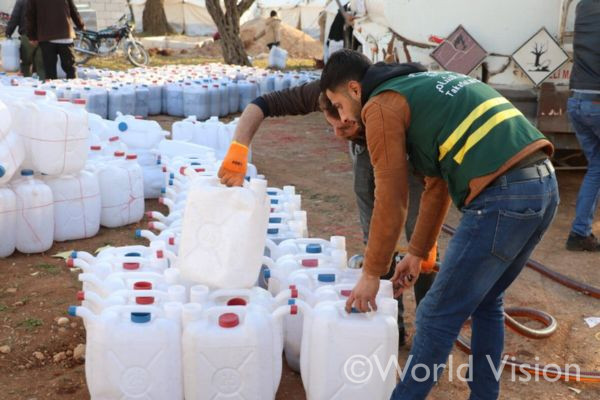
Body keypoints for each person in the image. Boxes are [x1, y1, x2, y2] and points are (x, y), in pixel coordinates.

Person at [320, 49, 558, 399]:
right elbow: (437, 183)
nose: (341, 119)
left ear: (355, 89)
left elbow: (392, 195)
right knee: (487, 301)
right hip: (543, 187)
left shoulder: (380, 105)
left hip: (503, 195)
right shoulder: (420, 87)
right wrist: (417, 253)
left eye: (338, 106)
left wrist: (372, 273)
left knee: (435, 314)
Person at [217, 77, 436, 346]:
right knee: (377, 241)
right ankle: (391, 328)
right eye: (333, 125)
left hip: (408, 150)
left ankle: (429, 334)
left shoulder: (389, 98)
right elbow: (260, 105)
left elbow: (431, 180)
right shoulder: (327, 92)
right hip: (366, 151)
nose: (336, 132)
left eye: (345, 126)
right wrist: (239, 148)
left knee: (422, 248)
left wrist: (425, 237)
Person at [565, 0, 600, 252]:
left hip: (577, 101)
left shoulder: (583, 6)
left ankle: (580, 234)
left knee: (597, 166)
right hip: (597, 102)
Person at [26, 0, 84, 80]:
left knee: (50, 71)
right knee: (70, 69)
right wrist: (81, 25)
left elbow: (30, 16)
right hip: (65, 35)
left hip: (46, 36)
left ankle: (52, 90)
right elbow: (73, 10)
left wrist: (32, 36)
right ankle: (74, 88)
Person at [4, 0, 45, 80]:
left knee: (26, 63)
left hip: (27, 35)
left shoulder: (21, 1)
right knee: (41, 64)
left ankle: (26, 85)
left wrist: (8, 32)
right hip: (43, 35)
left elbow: (15, 17)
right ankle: (42, 85)